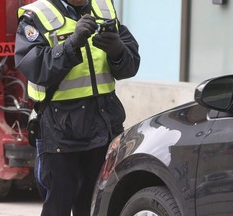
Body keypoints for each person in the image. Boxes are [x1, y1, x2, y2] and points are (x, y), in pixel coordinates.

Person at [14, 0, 140, 215]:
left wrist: (118, 51)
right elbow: (36, 69)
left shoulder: (104, 8)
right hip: (60, 128)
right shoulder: (36, 15)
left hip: (105, 123)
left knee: (97, 205)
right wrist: (71, 45)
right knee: (59, 204)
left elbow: (130, 66)